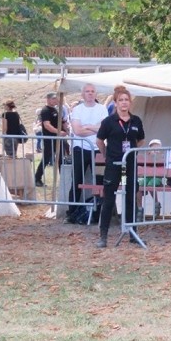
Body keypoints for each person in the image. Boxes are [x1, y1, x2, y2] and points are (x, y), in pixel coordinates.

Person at [95, 86, 145, 248]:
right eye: (121, 100)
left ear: (130, 103)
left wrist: (132, 153)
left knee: (131, 197)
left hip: (129, 164)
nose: (124, 103)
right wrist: (107, 155)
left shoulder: (136, 120)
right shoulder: (109, 122)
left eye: (126, 100)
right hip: (114, 164)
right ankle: (103, 236)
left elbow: (140, 140)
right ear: (115, 103)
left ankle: (132, 233)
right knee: (109, 198)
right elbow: (100, 141)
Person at [68, 83, 109, 222]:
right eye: (87, 91)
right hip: (80, 148)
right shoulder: (77, 110)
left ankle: (99, 213)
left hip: (98, 149)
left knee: (99, 181)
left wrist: (89, 126)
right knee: (76, 180)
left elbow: (105, 128)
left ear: (96, 94)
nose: (90, 93)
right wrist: (95, 128)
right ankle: (72, 212)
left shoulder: (102, 109)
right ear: (82, 94)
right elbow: (77, 131)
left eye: (92, 91)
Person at [34, 92, 66, 187]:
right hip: (50, 138)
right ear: (48, 99)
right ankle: (37, 178)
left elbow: (60, 121)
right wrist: (59, 132)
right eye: (53, 98)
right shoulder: (45, 110)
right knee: (46, 159)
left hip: (57, 138)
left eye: (56, 98)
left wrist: (65, 129)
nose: (55, 100)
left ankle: (63, 179)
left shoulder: (55, 109)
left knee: (61, 158)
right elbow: (47, 125)